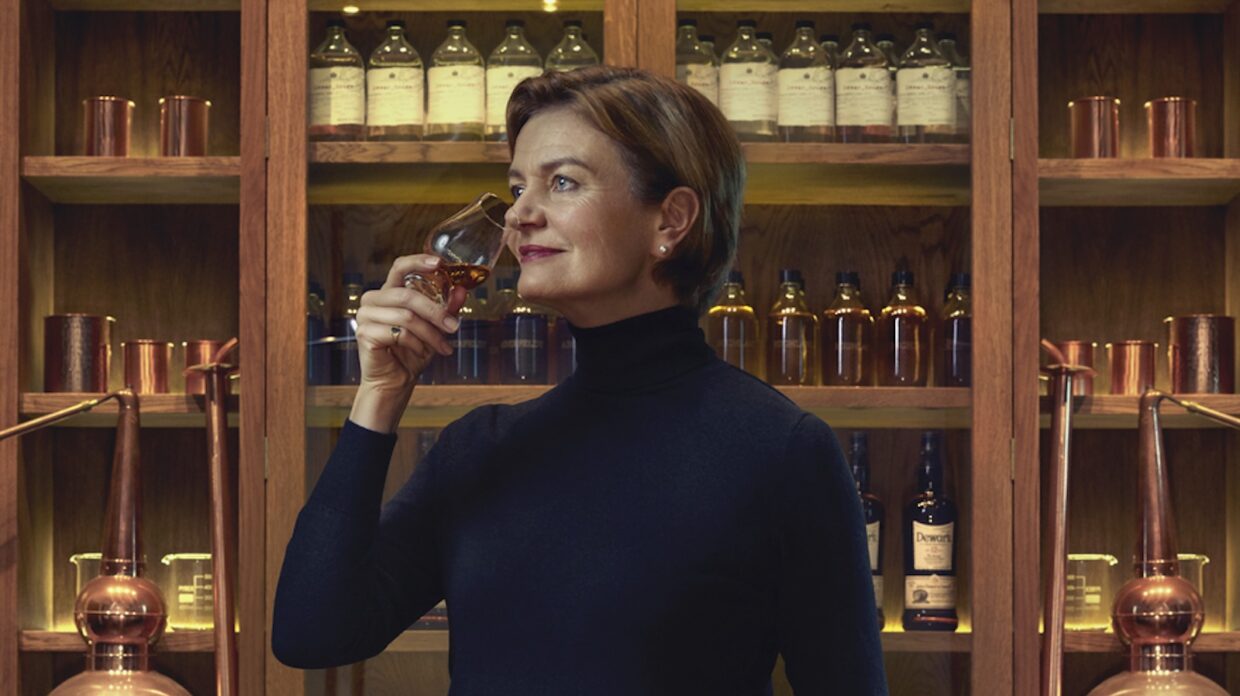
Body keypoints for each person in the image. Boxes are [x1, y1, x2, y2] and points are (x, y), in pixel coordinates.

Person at [272, 65, 887, 695]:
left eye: (562, 182)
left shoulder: (779, 451)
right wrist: (379, 394)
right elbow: (311, 634)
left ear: (670, 221)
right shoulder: (480, 448)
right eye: (516, 188)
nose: (519, 216)